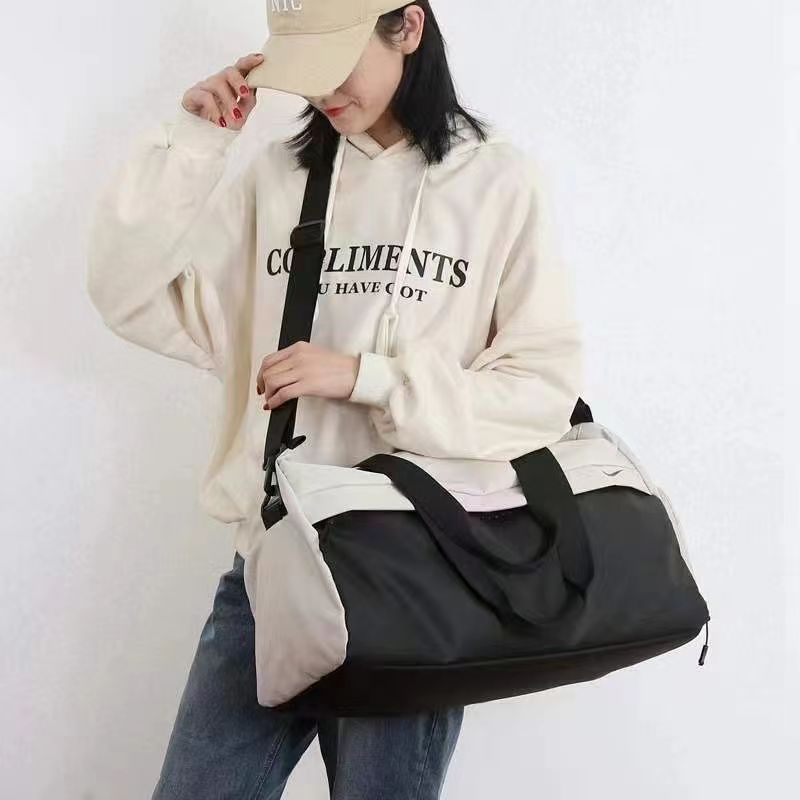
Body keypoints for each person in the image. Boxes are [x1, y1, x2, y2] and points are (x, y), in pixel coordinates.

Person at [86, 2, 584, 798]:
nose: (319, 90)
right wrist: (194, 145)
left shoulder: (496, 182)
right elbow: (130, 297)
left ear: (407, 28)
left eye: (336, 61)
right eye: (305, 68)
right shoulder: (279, 180)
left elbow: (539, 391)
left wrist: (366, 376)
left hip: (415, 577)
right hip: (272, 566)